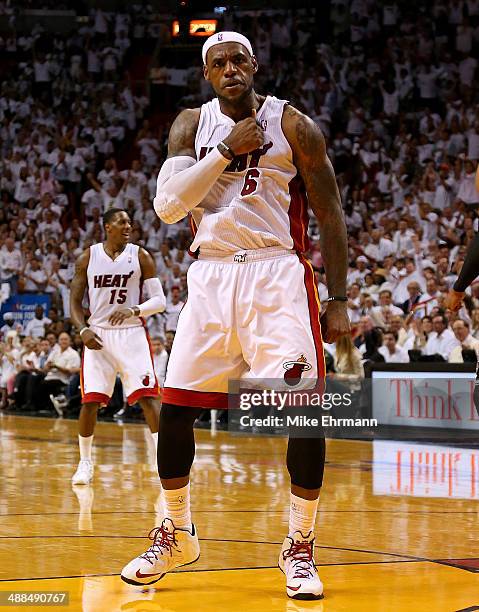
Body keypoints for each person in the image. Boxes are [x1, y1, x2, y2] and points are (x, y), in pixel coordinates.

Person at [121, 31, 350, 601]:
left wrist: (340, 298)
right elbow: (170, 207)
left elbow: (331, 213)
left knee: (303, 415)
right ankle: (176, 531)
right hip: (212, 276)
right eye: (218, 62)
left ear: (254, 65)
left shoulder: (294, 126)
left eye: (238, 60)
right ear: (207, 73)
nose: (229, 69)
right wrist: (224, 152)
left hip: (277, 275)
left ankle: (299, 544)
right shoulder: (189, 125)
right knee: (175, 413)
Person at [69, 208, 166, 485]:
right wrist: (82, 329)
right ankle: (85, 463)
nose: (128, 225)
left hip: (131, 333)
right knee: (90, 402)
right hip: (98, 335)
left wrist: (134, 310)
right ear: (107, 226)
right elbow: (75, 302)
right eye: (121, 221)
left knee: (149, 397)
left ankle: (164, 461)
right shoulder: (88, 257)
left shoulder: (141, 256)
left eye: (129, 222)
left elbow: (160, 301)